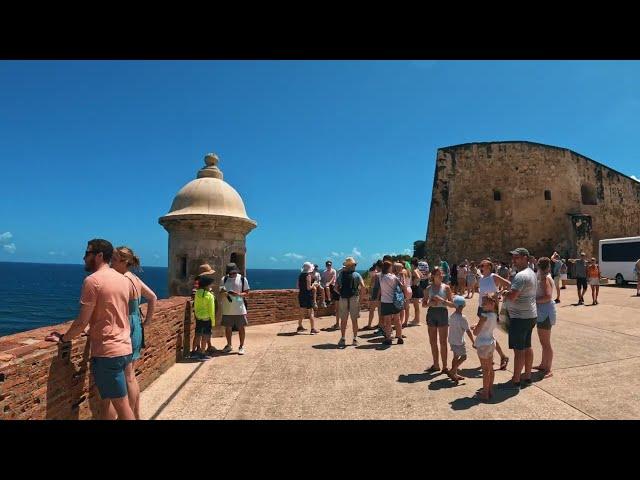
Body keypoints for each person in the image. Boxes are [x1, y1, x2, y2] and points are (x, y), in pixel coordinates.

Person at [46, 239, 136, 420]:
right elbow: (115, 311)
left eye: (88, 253)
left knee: (122, 406)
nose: (84, 257)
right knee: (110, 400)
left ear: (100, 255)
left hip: (107, 352)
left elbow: (81, 322)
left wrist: (64, 338)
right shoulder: (123, 280)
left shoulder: (92, 281)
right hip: (125, 347)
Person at [110, 246, 158, 420]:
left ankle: (127, 416)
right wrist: (147, 321)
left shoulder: (121, 279)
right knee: (131, 376)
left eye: (114, 259)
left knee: (127, 376)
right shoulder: (134, 278)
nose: (110, 263)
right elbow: (152, 297)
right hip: (136, 325)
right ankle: (136, 414)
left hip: (125, 326)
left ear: (125, 262)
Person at [503, 247, 538, 388]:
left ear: (525, 257)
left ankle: (516, 380)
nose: (514, 260)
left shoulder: (520, 276)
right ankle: (528, 376)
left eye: (516, 257)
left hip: (520, 317)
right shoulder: (531, 273)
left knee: (519, 350)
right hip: (530, 315)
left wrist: (505, 293)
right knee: (527, 346)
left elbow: (512, 296)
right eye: (513, 257)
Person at [477, 259, 510, 370]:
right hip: (481, 307)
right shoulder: (481, 279)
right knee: (485, 333)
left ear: (489, 267)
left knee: (488, 334)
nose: (481, 267)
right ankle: (496, 356)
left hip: (491, 309)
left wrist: (500, 294)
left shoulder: (493, 276)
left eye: (483, 265)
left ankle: (501, 356)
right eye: (480, 265)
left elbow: (508, 284)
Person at [422, 266, 454, 373]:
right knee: (433, 341)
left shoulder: (446, 288)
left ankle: (445, 366)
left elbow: (452, 304)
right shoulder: (428, 289)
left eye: (441, 274)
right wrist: (430, 303)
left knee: (443, 342)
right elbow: (424, 304)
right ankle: (436, 365)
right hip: (432, 313)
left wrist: (441, 300)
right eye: (438, 274)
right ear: (433, 276)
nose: (441, 276)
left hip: (442, 313)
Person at [220, 263, 250, 354]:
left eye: (234, 273)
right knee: (228, 328)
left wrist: (238, 294)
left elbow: (247, 292)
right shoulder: (224, 279)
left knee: (241, 327)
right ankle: (229, 345)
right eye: (231, 273)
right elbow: (221, 290)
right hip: (227, 308)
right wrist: (224, 293)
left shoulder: (242, 279)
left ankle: (241, 346)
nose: (233, 274)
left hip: (239, 308)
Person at [473, 293, 499, 401]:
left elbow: (476, 332)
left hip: (483, 344)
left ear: (492, 304)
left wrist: (475, 327)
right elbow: (487, 327)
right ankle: (490, 390)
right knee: (490, 368)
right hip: (490, 343)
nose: (482, 305)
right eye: (482, 303)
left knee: (485, 370)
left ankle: (485, 393)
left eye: (485, 303)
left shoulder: (483, 317)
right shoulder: (494, 315)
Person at [335, 257, 365, 348]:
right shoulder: (357, 275)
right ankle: (355, 339)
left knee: (343, 320)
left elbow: (335, 288)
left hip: (343, 298)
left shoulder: (341, 275)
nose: (355, 266)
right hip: (354, 298)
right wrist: (361, 299)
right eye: (355, 264)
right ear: (352, 266)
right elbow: (363, 287)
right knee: (354, 320)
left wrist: (341, 293)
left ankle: (343, 338)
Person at [534, 257, 555, 378]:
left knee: (546, 343)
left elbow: (547, 296)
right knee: (543, 342)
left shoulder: (545, 278)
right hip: (543, 312)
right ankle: (543, 364)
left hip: (545, 312)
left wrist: (533, 300)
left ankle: (548, 369)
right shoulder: (544, 277)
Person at [378, 260, 408, 346]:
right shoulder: (394, 277)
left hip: (385, 301)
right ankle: (399, 337)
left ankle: (388, 338)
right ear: (389, 268)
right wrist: (402, 277)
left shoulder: (381, 276)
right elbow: (402, 286)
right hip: (395, 301)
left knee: (387, 321)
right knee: (397, 320)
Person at [191, 264, 218, 355]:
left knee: (199, 332)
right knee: (204, 333)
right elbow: (194, 294)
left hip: (200, 313)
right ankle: (201, 350)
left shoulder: (202, 283)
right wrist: (207, 294)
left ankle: (201, 348)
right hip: (205, 311)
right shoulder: (199, 282)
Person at [447, 295, 474, 384]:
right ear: (462, 306)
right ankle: (452, 371)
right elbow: (468, 331)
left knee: (455, 356)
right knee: (463, 357)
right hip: (459, 341)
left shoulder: (452, 316)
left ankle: (454, 373)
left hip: (452, 340)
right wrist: (473, 341)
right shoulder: (463, 318)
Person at [193, 276, 216, 359]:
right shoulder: (209, 296)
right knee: (205, 336)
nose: (212, 286)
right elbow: (211, 310)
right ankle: (202, 353)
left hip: (199, 317)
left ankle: (194, 352)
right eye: (210, 284)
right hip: (207, 318)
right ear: (207, 285)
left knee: (198, 334)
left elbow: (195, 306)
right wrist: (213, 321)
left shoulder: (197, 293)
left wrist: (197, 315)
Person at [297, 262, 319, 334]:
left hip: (301, 295)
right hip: (308, 296)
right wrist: (314, 284)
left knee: (301, 312)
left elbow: (297, 286)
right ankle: (312, 329)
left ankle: (300, 326)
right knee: (311, 312)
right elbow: (309, 288)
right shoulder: (308, 276)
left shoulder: (300, 275)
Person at [364, 261, 382, 330]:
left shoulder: (376, 275)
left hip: (375, 292)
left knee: (372, 310)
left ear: (377, 266)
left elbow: (371, 285)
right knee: (380, 310)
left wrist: (368, 291)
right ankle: (380, 324)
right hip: (382, 293)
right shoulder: (384, 274)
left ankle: (369, 324)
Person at [409, 258, 424, 325]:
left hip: (415, 288)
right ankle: (416, 319)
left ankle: (417, 320)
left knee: (416, 306)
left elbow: (418, 277)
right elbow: (422, 276)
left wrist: (414, 282)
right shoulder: (418, 270)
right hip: (418, 288)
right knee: (416, 306)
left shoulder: (414, 270)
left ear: (412, 264)